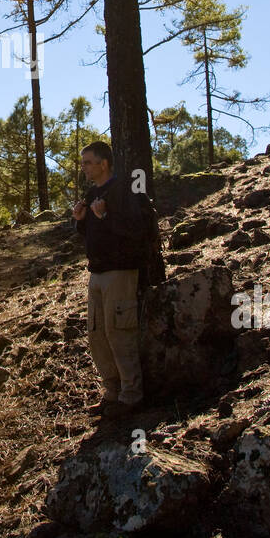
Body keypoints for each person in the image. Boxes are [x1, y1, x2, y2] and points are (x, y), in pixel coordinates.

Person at [72, 141, 154, 420]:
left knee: (120, 332)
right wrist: (82, 220)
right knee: (97, 335)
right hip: (96, 273)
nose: (83, 167)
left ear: (103, 163)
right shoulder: (93, 192)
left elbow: (134, 230)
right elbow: (95, 233)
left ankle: (131, 396)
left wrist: (104, 215)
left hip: (121, 271)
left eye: (87, 162)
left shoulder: (124, 189)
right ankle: (111, 392)